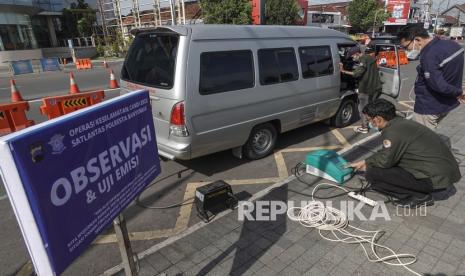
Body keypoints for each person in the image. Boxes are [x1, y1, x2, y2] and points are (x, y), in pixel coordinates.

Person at [349, 99, 461, 208]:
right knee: (383, 166)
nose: (369, 123)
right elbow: (387, 152)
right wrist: (365, 161)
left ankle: (420, 197)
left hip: (435, 179)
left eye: (369, 120)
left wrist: (366, 166)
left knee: (373, 174)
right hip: (444, 173)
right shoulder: (400, 122)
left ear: (378, 119)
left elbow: (385, 161)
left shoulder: (392, 132)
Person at [397, 25, 465, 130]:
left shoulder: (429, 56)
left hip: (429, 107)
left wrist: (459, 92)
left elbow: (439, 85)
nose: (406, 51)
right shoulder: (452, 45)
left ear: (417, 39)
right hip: (447, 102)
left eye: (406, 47)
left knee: (422, 139)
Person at [340, 45, 382, 134]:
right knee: (372, 107)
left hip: (366, 89)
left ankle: (364, 127)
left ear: (356, 54)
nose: (352, 58)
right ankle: (375, 124)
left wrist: (343, 71)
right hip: (376, 87)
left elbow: (357, 73)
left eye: (352, 56)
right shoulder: (370, 58)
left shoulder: (363, 60)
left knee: (363, 109)